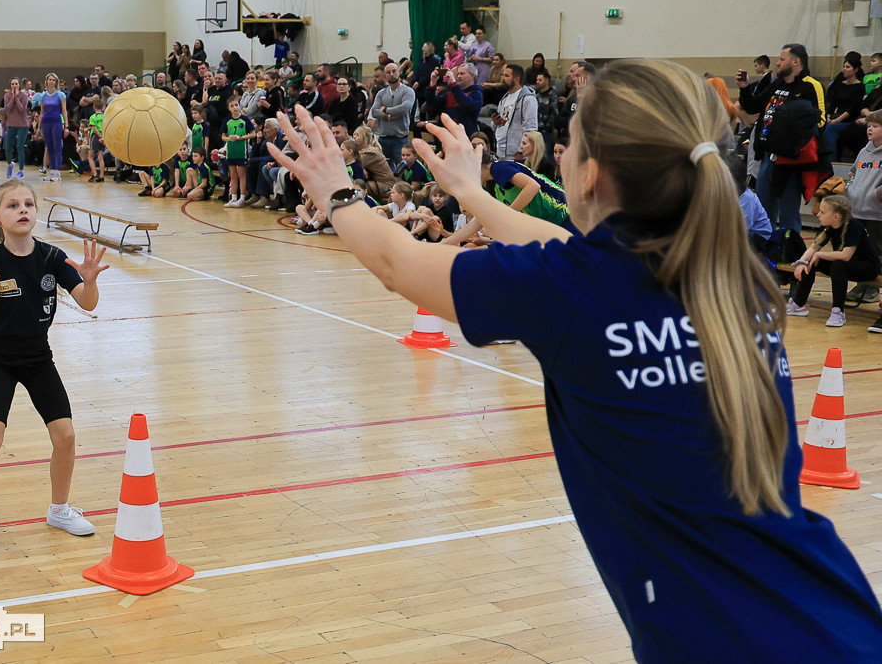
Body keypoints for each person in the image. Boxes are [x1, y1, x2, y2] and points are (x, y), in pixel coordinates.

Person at [268, 58, 882, 660]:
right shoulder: (732, 274)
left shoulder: (576, 289)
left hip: (725, 640)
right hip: (836, 612)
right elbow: (563, 246)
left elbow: (397, 262)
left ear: (589, 176)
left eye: (568, 146)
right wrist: (470, 193)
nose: (557, 158)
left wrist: (336, 190)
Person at [0, 180, 109, 557]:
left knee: (66, 435)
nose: (23, 209)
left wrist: (90, 282)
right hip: (1, 360)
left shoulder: (52, 258)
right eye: (12, 205)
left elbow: (88, 303)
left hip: (39, 358)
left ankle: (59, 510)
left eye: (28, 203)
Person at [738, 43, 826, 232]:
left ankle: (791, 247)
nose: (777, 63)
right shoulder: (776, 84)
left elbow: (821, 121)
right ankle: (765, 245)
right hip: (767, 156)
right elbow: (753, 107)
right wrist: (744, 89)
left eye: (781, 59)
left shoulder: (810, 86)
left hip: (790, 160)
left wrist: (792, 134)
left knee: (788, 212)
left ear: (795, 62)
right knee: (763, 210)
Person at [787, 194, 881, 327]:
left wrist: (820, 254)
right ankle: (799, 305)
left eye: (822, 212)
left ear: (836, 216)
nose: (818, 214)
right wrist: (802, 263)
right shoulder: (827, 225)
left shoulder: (854, 226)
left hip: (867, 267)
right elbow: (813, 248)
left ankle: (838, 312)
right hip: (845, 265)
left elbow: (846, 255)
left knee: (837, 264)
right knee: (811, 262)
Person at [843, 110, 882, 305]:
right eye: (868, 126)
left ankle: (873, 288)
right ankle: (861, 285)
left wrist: (877, 193)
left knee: (876, 252)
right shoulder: (863, 152)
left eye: (875, 126)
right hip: (857, 210)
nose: (870, 129)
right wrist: (850, 189)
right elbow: (852, 173)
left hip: (876, 213)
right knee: (859, 251)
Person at [368, 62, 415, 167]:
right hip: (383, 138)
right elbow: (374, 111)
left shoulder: (408, 91)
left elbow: (405, 108)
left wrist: (385, 109)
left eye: (394, 71)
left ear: (399, 72)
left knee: (402, 168)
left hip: (400, 138)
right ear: (385, 75)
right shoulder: (381, 93)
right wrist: (388, 117)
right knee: (384, 169)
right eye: (388, 72)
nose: (392, 74)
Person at [823, 57, 865, 160]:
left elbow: (853, 108)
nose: (844, 69)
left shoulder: (860, 86)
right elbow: (832, 104)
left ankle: (832, 160)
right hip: (836, 116)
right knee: (822, 125)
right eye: (844, 66)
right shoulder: (840, 85)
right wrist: (828, 117)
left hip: (850, 119)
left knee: (830, 128)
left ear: (855, 70)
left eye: (848, 67)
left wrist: (836, 120)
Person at [493, 64, 537, 161]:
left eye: (506, 76)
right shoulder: (504, 99)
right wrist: (495, 123)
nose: (502, 79)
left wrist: (521, 150)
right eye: (502, 75)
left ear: (517, 79)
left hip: (517, 154)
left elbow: (531, 127)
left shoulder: (527, 99)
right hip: (500, 152)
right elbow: (500, 125)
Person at [32, 73, 69, 181]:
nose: (51, 81)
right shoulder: (43, 96)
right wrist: (39, 128)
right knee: (49, 147)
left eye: (53, 80)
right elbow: (42, 112)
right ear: (46, 81)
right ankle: (52, 170)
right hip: (45, 123)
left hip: (56, 122)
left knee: (57, 147)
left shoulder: (60, 95)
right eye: (50, 79)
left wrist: (66, 126)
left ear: (56, 82)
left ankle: (58, 172)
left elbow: (64, 111)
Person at [428, 64, 483, 135]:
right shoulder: (451, 93)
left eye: (462, 74)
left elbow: (465, 103)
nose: (458, 76)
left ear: (472, 75)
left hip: (466, 135)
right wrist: (433, 82)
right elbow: (433, 103)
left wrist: (454, 84)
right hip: (448, 135)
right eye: (458, 74)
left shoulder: (476, 93)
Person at [221, 97, 256, 207]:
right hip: (231, 151)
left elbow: (253, 134)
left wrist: (241, 137)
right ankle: (233, 197)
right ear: (228, 108)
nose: (235, 108)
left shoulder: (245, 120)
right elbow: (223, 136)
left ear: (239, 105)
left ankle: (242, 198)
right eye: (232, 106)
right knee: (233, 175)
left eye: (236, 105)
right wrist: (229, 138)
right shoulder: (227, 121)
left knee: (241, 174)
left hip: (241, 151)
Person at [3, 78, 30, 179]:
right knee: (8, 147)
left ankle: (21, 170)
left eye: (16, 84)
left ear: (19, 85)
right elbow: (7, 109)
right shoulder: (7, 95)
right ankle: (10, 164)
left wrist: (17, 98)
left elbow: (22, 110)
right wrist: (13, 98)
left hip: (22, 125)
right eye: (12, 84)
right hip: (11, 124)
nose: (14, 86)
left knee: (20, 146)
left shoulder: (24, 96)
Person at [86, 96, 106, 183]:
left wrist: (100, 137)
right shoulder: (105, 116)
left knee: (90, 156)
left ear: (93, 106)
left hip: (96, 136)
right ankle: (102, 175)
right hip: (104, 136)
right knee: (100, 156)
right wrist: (103, 137)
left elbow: (94, 128)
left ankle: (94, 174)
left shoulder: (93, 117)